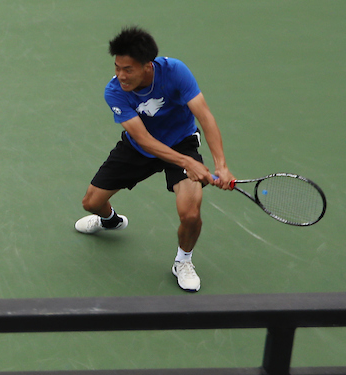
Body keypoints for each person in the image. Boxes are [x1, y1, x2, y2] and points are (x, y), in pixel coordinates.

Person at [75, 27, 234, 292]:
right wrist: (187, 163)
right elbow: (144, 139)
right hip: (139, 147)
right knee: (91, 203)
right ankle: (110, 220)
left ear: (148, 66)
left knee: (191, 213)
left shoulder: (175, 72)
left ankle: (183, 261)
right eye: (117, 67)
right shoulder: (114, 92)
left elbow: (204, 116)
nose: (121, 75)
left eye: (128, 69)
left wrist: (221, 165)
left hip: (181, 141)